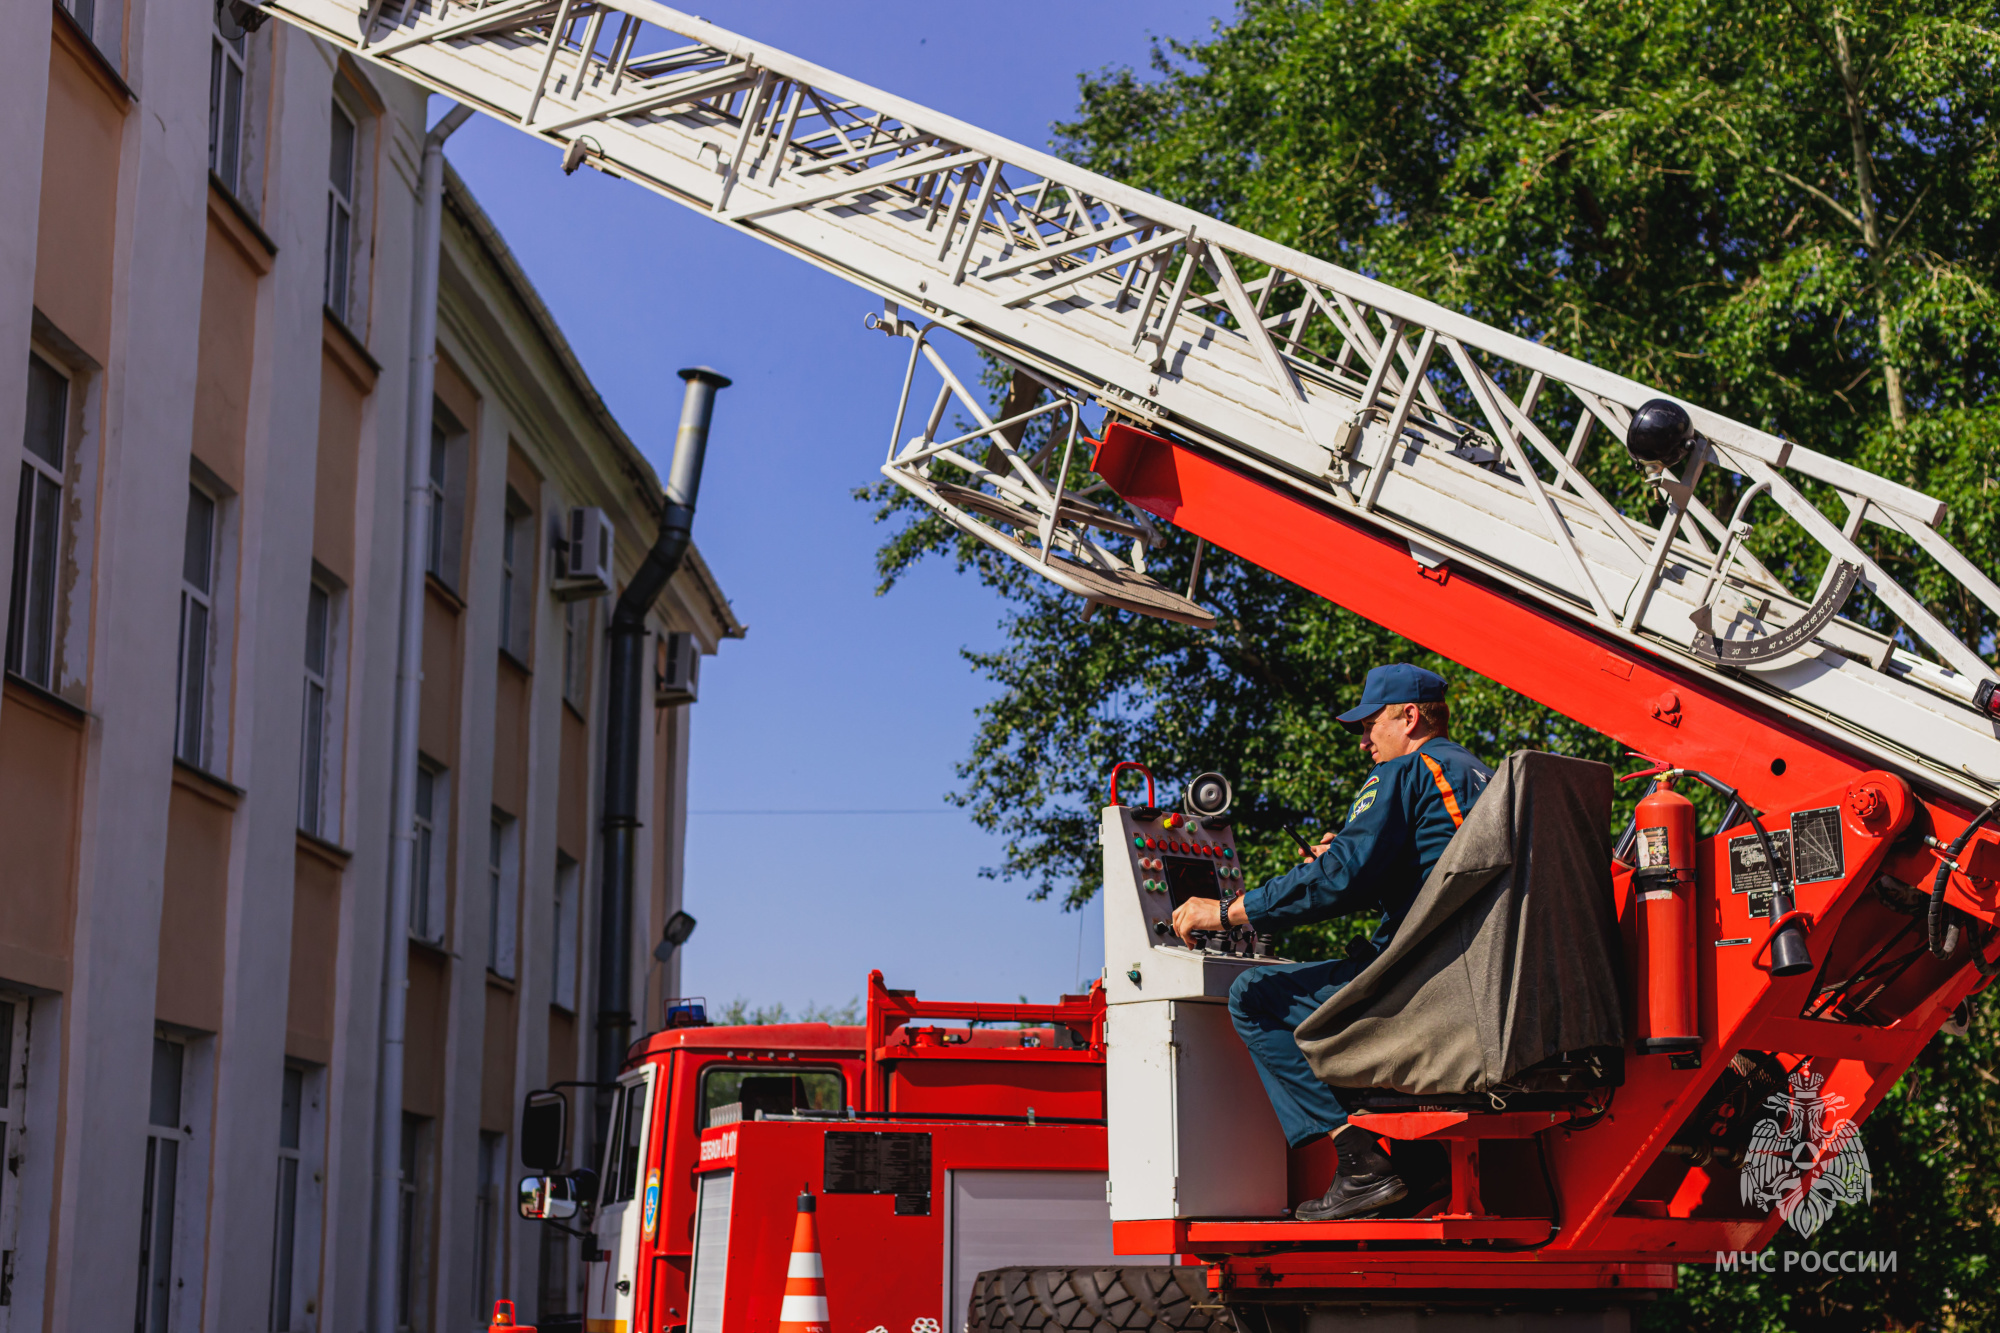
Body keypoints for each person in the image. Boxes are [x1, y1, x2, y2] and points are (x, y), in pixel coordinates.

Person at [1170, 663, 1493, 1221]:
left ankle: (1362, 1165)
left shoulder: (1408, 770)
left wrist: (1224, 912)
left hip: (1421, 987)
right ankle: (1416, 1164)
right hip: (1476, 983)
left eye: (1370, 725)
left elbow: (1336, 880)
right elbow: (1434, 881)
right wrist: (1351, 868)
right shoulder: (1481, 777)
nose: (1365, 741)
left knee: (1255, 995)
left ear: (1409, 717)